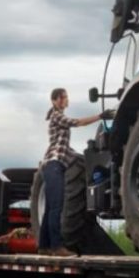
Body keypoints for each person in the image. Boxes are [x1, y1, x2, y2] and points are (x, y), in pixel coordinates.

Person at [39, 87, 114, 256]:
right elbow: (77, 123)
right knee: (56, 207)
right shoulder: (57, 116)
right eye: (65, 98)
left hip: (54, 164)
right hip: (54, 165)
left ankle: (44, 246)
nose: (67, 101)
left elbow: (63, 146)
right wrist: (100, 117)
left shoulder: (55, 117)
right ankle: (57, 247)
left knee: (50, 207)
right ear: (57, 100)